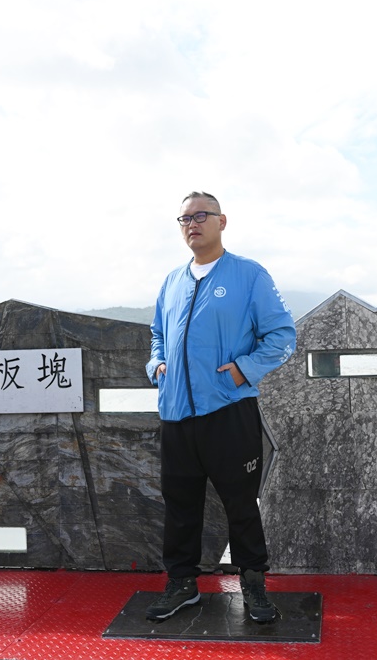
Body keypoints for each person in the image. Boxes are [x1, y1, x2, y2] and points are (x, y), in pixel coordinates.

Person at [144, 191, 296, 623]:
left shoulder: (248, 274)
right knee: (180, 505)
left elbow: (283, 336)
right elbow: (157, 333)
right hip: (176, 415)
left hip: (229, 411)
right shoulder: (172, 281)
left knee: (241, 505)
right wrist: (157, 365)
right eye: (184, 218)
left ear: (222, 221)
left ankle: (253, 583)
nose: (192, 223)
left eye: (201, 215)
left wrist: (242, 370)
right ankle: (182, 584)